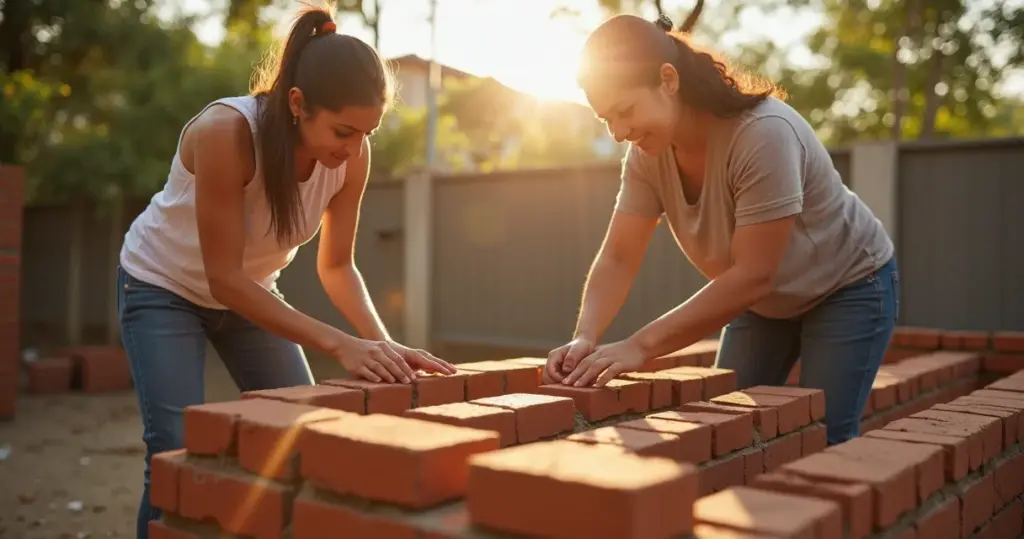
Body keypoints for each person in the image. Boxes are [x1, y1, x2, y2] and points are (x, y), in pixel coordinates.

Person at [116, 7, 456, 538]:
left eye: (365, 133)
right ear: (297, 103)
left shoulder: (353, 155)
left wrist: (380, 345)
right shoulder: (225, 133)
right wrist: (340, 344)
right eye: (342, 131)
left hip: (251, 297)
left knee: (302, 431)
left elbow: (338, 266)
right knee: (175, 448)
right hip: (164, 288)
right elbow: (223, 276)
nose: (350, 149)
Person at [544, 13, 898, 447]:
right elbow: (618, 255)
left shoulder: (763, 134)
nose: (618, 132)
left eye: (626, 111)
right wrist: (586, 335)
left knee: (822, 439)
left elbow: (753, 274)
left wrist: (638, 345)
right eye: (605, 120)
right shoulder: (645, 155)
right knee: (726, 430)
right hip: (764, 302)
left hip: (848, 286)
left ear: (668, 80)